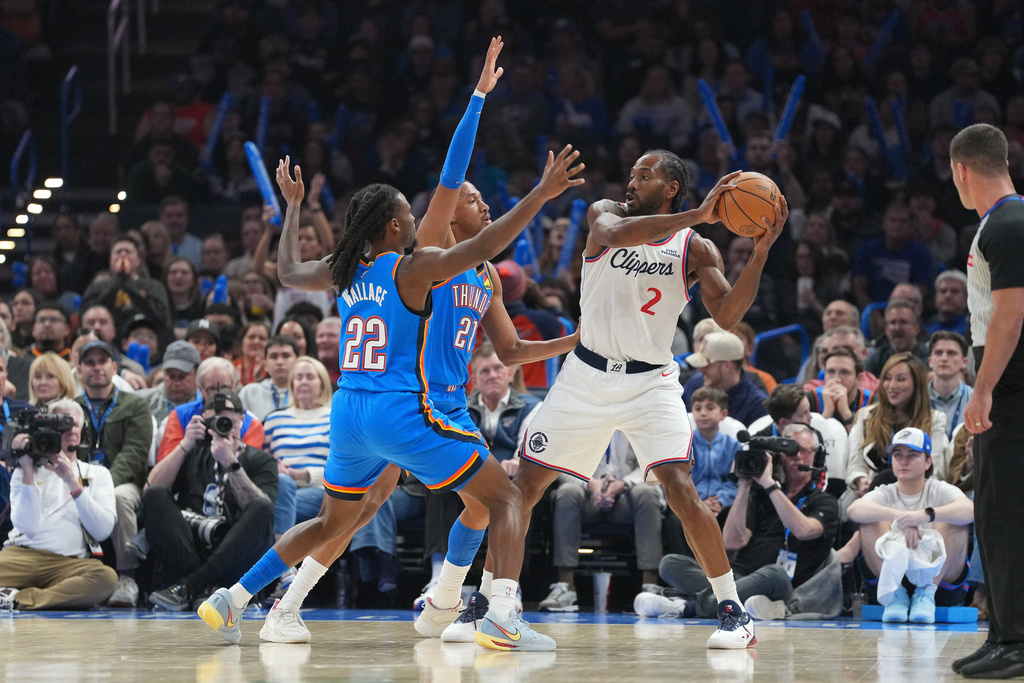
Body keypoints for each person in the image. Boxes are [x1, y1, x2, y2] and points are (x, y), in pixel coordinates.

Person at [198, 78, 584, 659]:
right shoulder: (421, 259)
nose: (470, 204)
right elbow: (454, 180)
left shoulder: (353, 267)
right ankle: (494, 614)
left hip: (358, 407)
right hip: (412, 404)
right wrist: (527, 179)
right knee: (505, 499)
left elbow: (507, 352)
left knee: (348, 517)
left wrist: (577, 342)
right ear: (403, 224)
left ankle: (240, 598)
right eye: (411, 211)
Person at [515, 147, 786, 650]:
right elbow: (616, 236)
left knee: (680, 490)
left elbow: (726, 316)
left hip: (650, 381)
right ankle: (497, 605)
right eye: (633, 172)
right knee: (527, 484)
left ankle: (733, 610)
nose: (632, 182)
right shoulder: (606, 215)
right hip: (587, 375)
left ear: (671, 188)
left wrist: (761, 252)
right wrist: (700, 213)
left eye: (645, 175)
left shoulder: (697, 248)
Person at [949, 123, 1024, 678]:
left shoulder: (1007, 224)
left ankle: (1015, 641)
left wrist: (983, 390)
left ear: (961, 170)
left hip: (1012, 392)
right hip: (1009, 390)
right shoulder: (1007, 222)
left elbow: (1011, 313)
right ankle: (1002, 632)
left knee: (1004, 515)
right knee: (995, 513)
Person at [635, 424, 841, 622]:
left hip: (778, 582)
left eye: (804, 451)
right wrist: (744, 486)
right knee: (670, 563)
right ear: (779, 458)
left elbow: (804, 530)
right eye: (790, 452)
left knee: (774, 573)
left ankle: (687, 607)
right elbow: (732, 542)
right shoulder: (759, 495)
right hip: (737, 575)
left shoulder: (825, 501)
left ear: (817, 456)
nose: (797, 457)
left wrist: (769, 484)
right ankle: (743, 603)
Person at [144, 389, 278, 610]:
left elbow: (261, 512)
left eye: (227, 419)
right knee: (155, 495)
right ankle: (206, 587)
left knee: (262, 506)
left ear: (241, 420)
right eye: (213, 419)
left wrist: (229, 461)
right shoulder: (192, 452)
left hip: (234, 547)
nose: (220, 424)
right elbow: (150, 487)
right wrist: (184, 445)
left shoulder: (261, 460)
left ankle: (191, 586)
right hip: (192, 545)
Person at [0, 399, 118, 610]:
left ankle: (18, 598)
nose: (70, 430)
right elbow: (29, 527)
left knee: (106, 578)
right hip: (20, 556)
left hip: (68, 563)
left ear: (83, 430)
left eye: (74, 424)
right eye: (61, 425)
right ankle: (31, 597)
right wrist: (27, 469)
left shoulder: (99, 474)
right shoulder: (24, 471)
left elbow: (102, 531)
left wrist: (72, 482)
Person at [847, 427, 973, 624]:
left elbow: (970, 510)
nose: (903, 461)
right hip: (891, 580)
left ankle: (926, 593)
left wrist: (925, 515)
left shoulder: (939, 489)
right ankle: (896, 594)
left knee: (955, 520)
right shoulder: (886, 492)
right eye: (898, 455)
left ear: (928, 461)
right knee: (869, 519)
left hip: (939, 581)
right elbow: (853, 510)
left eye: (912, 455)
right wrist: (901, 517)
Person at [74, 340, 154, 608]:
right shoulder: (71, 407)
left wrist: (100, 489)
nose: (96, 367)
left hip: (126, 484)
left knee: (118, 498)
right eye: (89, 362)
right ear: (79, 369)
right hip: (78, 480)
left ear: (115, 367)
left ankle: (126, 577)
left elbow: (134, 455)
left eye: (102, 361)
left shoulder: (135, 405)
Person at [847, 353, 949, 494]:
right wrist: (860, 480)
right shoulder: (866, 415)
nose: (892, 386)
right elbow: (854, 466)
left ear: (917, 383)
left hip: (916, 492)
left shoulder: (935, 419)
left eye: (900, 379)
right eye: (887, 379)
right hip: (872, 492)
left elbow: (934, 471)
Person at [263, 356, 332, 540]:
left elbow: (344, 469)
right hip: (280, 486)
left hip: (320, 490)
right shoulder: (274, 420)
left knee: (270, 509)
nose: (303, 382)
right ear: (292, 385)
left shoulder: (335, 419)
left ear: (323, 384)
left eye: (310, 377)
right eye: (299, 377)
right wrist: (273, 469)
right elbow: (262, 460)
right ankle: (284, 564)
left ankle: (280, 562)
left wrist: (303, 475)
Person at [156, 357, 265, 463]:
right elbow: (162, 468)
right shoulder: (180, 416)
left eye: (225, 388)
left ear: (235, 387)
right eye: (211, 389)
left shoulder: (250, 423)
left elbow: (253, 467)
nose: (218, 394)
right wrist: (185, 445)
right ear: (201, 390)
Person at [683, 331, 769, 427]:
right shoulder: (694, 383)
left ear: (728, 366)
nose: (700, 370)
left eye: (707, 364)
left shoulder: (757, 405)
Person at [688, 386, 740, 526]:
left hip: (723, 504)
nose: (703, 413)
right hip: (691, 504)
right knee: (675, 520)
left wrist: (720, 502)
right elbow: (682, 480)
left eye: (710, 408)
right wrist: (697, 502)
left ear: (723, 414)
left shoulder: (733, 446)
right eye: (698, 409)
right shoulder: (685, 445)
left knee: (734, 518)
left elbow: (735, 481)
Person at [136, 340, 202, 424]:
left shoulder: (206, 403)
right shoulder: (141, 402)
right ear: (164, 373)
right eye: (171, 376)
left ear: (196, 373)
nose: (176, 383)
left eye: (182, 376)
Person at [807, 348, 873, 431]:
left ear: (859, 378)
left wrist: (846, 413)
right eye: (831, 372)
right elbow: (808, 441)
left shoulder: (871, 403)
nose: (836, 379)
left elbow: (865, 442)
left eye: (844, 372)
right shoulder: (811, 399)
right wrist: (826, 414)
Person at [238, 336, 300, 422]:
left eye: (286, 356)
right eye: (274, 356)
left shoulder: (304, 391)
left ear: (298, 362)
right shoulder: (249, 393)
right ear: (265, 365)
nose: (280, 362)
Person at [864, 299, 930, 377]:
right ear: (886, 328)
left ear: (916, 329)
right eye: (893, 322)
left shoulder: (929, 357)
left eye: (903, 322)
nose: (897, 328)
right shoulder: (877, 359)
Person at [927, 331, 973, 442]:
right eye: (938, 353)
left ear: (964, 362)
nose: (944, 358)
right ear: (930, 361)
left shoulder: (975, 398)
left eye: (951, 353)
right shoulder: (916, 399)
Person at [924, 270, 969, 336]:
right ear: (936, 297)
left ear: (966, 299)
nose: (948, 296)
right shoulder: (924, 330)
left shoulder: (973, 331)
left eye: (955, 291)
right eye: (943, 291)